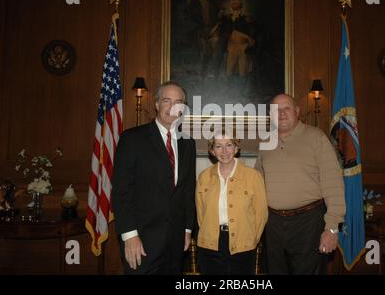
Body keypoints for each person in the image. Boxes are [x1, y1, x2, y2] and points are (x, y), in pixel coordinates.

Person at [111, 81, 196, 274]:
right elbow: (121, 191)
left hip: (176, 242)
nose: (173, 107)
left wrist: (187, 230)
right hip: (141, 241)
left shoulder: (188, 143)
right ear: (157, 104)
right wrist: (129, 235)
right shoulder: (132, 139)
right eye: (167, 100)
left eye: (179, 102)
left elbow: (188, 190)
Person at [255, 94, 346, 274]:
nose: (281, 114)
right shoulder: (266, 142)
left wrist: (332, 228)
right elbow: (257, 181)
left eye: (286, 108)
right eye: (276, 110)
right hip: (272, 224)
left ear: (297, 111)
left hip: (308, 223)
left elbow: (333, 183)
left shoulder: (316, 137)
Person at [195, 132, 268, 275]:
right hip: (210, 244)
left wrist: (251, 239)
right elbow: (200, 214)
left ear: (236, 148)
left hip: (243, 244)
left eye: (229, 145)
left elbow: (261, 213)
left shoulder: (253, 177)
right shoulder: (204, 177)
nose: (224, 151)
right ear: (212, 151)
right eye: (218, 146)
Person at [221, 0, 256, 77]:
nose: (236, 10)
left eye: (237, 8)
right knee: (230, 69)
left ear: (240, 8)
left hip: (243, 45)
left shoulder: (246, 19)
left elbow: (251, 32)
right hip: (231, 45)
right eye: (234, 7)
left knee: (243, 70)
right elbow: (224, 31)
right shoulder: (228, 18)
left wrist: (248, 40)